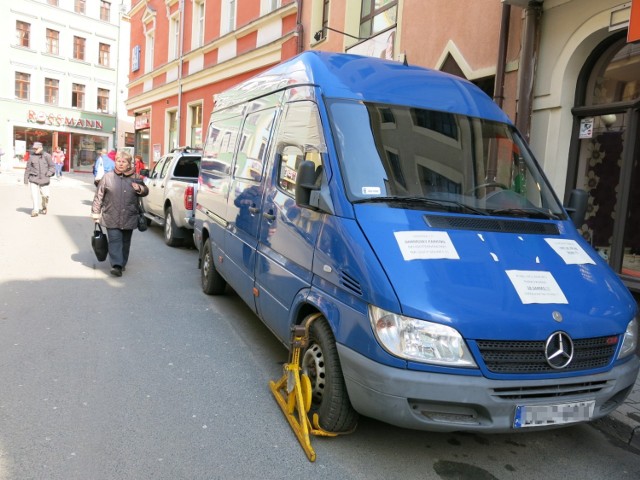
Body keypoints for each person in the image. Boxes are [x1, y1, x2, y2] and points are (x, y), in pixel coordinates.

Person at [91, 151, 149, 277]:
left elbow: (145, 191)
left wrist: (139, 188)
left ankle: (122, 263)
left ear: (129, 164)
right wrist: (95, 212)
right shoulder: (108, 177)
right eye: (118, 161)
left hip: (129, 215)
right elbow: (99, 195)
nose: (121, 164)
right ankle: (116, 265)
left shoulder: (136, 177)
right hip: (111, 214)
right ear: (115, 162)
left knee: (125, 242)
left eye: (124, 161)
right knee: (114, 240)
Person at [23, 141, 55, 217]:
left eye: (36, 148)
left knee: (45, 196)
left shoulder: (47, 156)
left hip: (44, 179)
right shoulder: (31, 157)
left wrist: (49, 174)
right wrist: (26, 180)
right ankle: (35, 210)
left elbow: (52, 167)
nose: (34, 150)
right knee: (34, 195)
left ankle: (44, 206)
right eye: (34, 148)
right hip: (33, 178)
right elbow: (28, 168)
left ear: (41, 148)